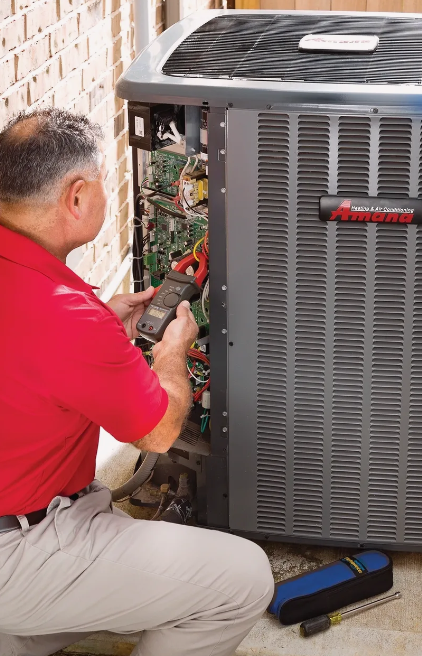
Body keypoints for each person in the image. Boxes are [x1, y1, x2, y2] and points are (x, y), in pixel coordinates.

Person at [0, 108, 274, 656]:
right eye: (103, 179)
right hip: (18, 550)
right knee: (242, 580)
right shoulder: (69, 320)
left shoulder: (56, 310)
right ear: (77, 198)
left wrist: (101, 332)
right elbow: (157, 432)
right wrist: (171, 356)